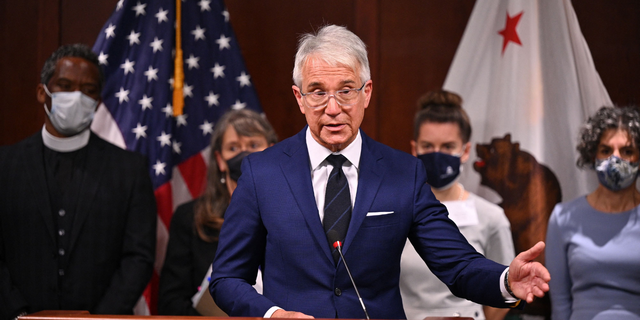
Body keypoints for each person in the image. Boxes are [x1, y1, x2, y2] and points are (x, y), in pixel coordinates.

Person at [210, 24, 550, 319]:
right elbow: (227, 278)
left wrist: (506, 281)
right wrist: (272, 314)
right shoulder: (261, 172)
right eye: (317, 92)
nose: (333, 108)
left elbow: (457, 264)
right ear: (299, 98)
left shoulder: (405, 173)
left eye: (346, 90)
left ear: (366, 93)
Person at [0, 44, 156, 320]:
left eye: (88, 90)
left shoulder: (129, 169)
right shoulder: (5, 165)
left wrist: (99, 319)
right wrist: (18, 313)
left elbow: (138, 257)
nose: (77, 97)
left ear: (98, 100)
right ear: (42, 92)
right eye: (65, 85)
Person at [400, 90, 515, 320]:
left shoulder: (491, 217)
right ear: (415, 149)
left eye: (448, 146)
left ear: (465, 150)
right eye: (428, 146)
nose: (437, 155)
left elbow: (506, 290)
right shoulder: (395, 211)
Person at [158, 109, 277, 315]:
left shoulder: (294, 210)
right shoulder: (191, 218)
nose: (244, 154)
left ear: (272, 151)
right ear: (220, 160)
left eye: (254, 146)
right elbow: (172, 300)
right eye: (233, 147)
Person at [546, 106, 640, 320]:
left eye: (627, 151)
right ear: (593, 155)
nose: (615, 160)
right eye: (606, 150)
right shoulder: (564, 217)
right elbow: (560, 302)